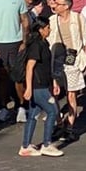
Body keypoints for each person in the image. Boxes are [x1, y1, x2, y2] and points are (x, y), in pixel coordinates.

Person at [47, 0, 86, 138]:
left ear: (66, 6)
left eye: (57, 3)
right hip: (56, 60)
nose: (54, 5)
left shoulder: (78, 18)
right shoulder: (52, 20)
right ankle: (59, 123)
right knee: (54, 93)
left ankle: (70, 126)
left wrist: (84, 58)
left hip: (73, 60)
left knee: (71, 95)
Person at [19, 19, 63, 158]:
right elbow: (30, 67)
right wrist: (28, 88)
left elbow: (47, 67)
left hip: (43, 84)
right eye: (47, 27)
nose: (49, 30)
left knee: (33, 115)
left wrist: (54, 82)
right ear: (41, 29)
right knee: (52, 111)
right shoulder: (36, 46)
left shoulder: (44, 44)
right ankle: (46, 144)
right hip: (38, 86)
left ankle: (26, 146)